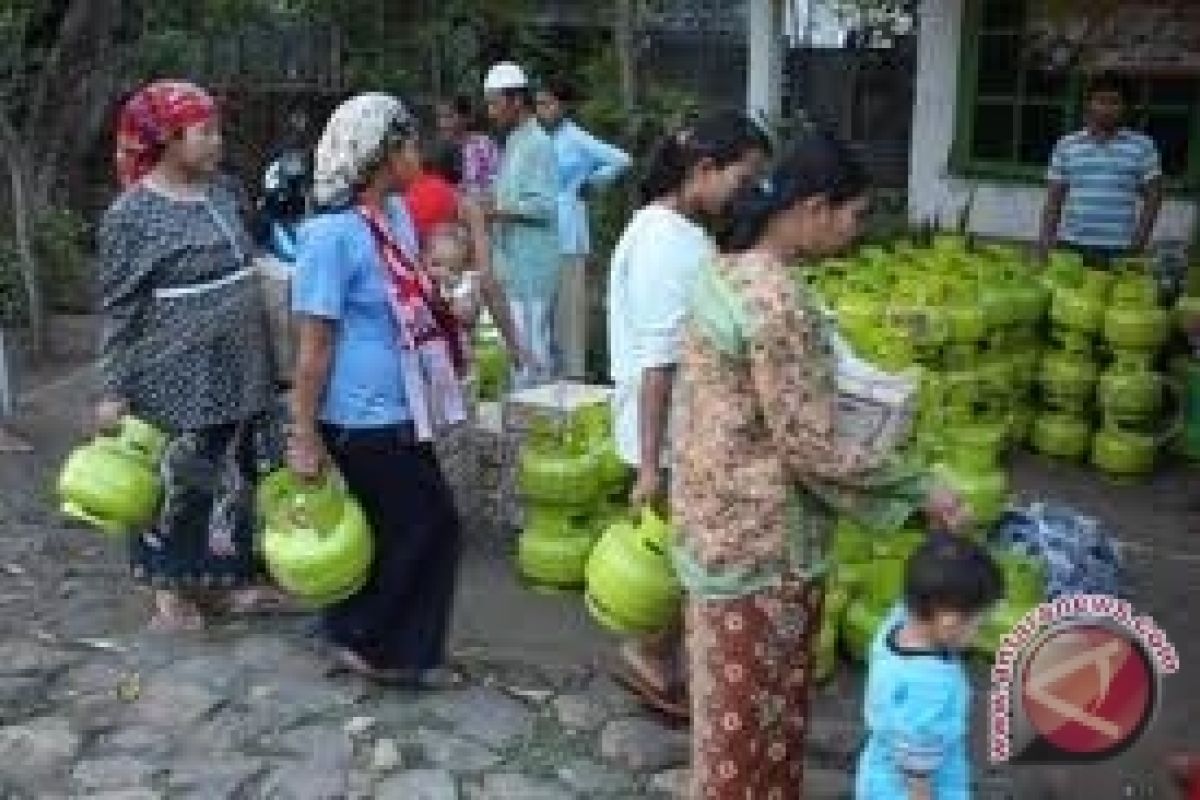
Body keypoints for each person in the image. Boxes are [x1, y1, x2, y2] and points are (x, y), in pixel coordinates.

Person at [671, 131, 967, 798]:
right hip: (761, 550)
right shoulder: (778, 301)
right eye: (853, 216)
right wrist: (919, 487)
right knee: (756, 737)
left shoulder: (724, 268)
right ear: (811, 208)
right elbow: (809, 445)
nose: (857, 233)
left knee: (727, 729)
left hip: (712, 530)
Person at [288, 93, 466, 687]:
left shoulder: (393, 221)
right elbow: (313, 346)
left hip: (401, 406)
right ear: (382, 153)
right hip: (358, 415)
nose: (418, 153)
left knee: (404, 526)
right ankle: (378, 645)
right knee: (429, 524)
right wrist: (304, 432)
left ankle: (371, 639)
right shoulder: (330, 235)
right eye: (409, 143)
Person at [95, 80, 282, 632]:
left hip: (241, 366)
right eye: (206, 131)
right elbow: (119, 308)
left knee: (234, 477)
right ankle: (169, 590)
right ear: (168, 140)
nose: (217, 140)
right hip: (175, 376)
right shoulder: (131, 215)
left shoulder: (223, 190)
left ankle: (219, 584)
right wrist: (111, 390)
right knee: (182, 478)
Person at [606, 111, 771, 721]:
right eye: (744, 177)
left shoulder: (685, 231)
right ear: (703, 170)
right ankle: (651, 659)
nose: (748, 192)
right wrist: (650, 465)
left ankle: (661, 658)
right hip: (666, 432)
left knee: (690, 556)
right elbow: (658, 363)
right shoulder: (660, 240)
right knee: (687, 559)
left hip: (687, 427)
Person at [856, 535, 1003, 800]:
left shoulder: (897, 622)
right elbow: (917, 772)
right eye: (979, 625)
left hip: (878, 769)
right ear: (948, 622)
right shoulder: (931, 686)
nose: (978, 634)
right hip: (910, 790)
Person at [535, 78, 632, 379]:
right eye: (538, 104)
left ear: (562, 106)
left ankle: (574, 379)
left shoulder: (576, 138)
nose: (542, 110)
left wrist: (593, 182)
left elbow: (622, 159)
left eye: (547, 103)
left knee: (570, 317)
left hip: (568, 235)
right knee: (544, 318)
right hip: (541, 235)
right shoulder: (537, 139)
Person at [404, 139, 529, 365]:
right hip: (452, 323)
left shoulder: (398, 202)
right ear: (459, 169)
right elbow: (487, 279)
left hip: (410, 324)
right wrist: (514, 344)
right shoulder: (466, 206)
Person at [482, 62, 560, 390]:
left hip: (533, 268)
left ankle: (539, 427)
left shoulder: (538, 143)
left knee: (532, 356)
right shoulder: (515, 140)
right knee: (516, 352)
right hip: (511, 267)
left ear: (516, 101)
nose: (491, 112)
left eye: (495, 103)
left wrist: (496, 211)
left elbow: (544, 206)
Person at [1038, 72, 1164, 269]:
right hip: (1071, 246)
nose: (1107, 109)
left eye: (1114, 102)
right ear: (1088, 104)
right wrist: (1045, 245)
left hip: (1120, 249)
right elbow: (1053, 200)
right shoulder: (1067, 145)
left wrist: (1139, 243)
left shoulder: (1142, 146)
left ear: (1125, 107)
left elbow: (1154, 198)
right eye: (1100, 101)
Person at [436, 94, 502, 199]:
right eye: (440, 117)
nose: (443, 123)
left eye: (449, 117)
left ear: (466, 118)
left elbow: (481, 190)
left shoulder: (480, 146)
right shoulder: (449, 150)